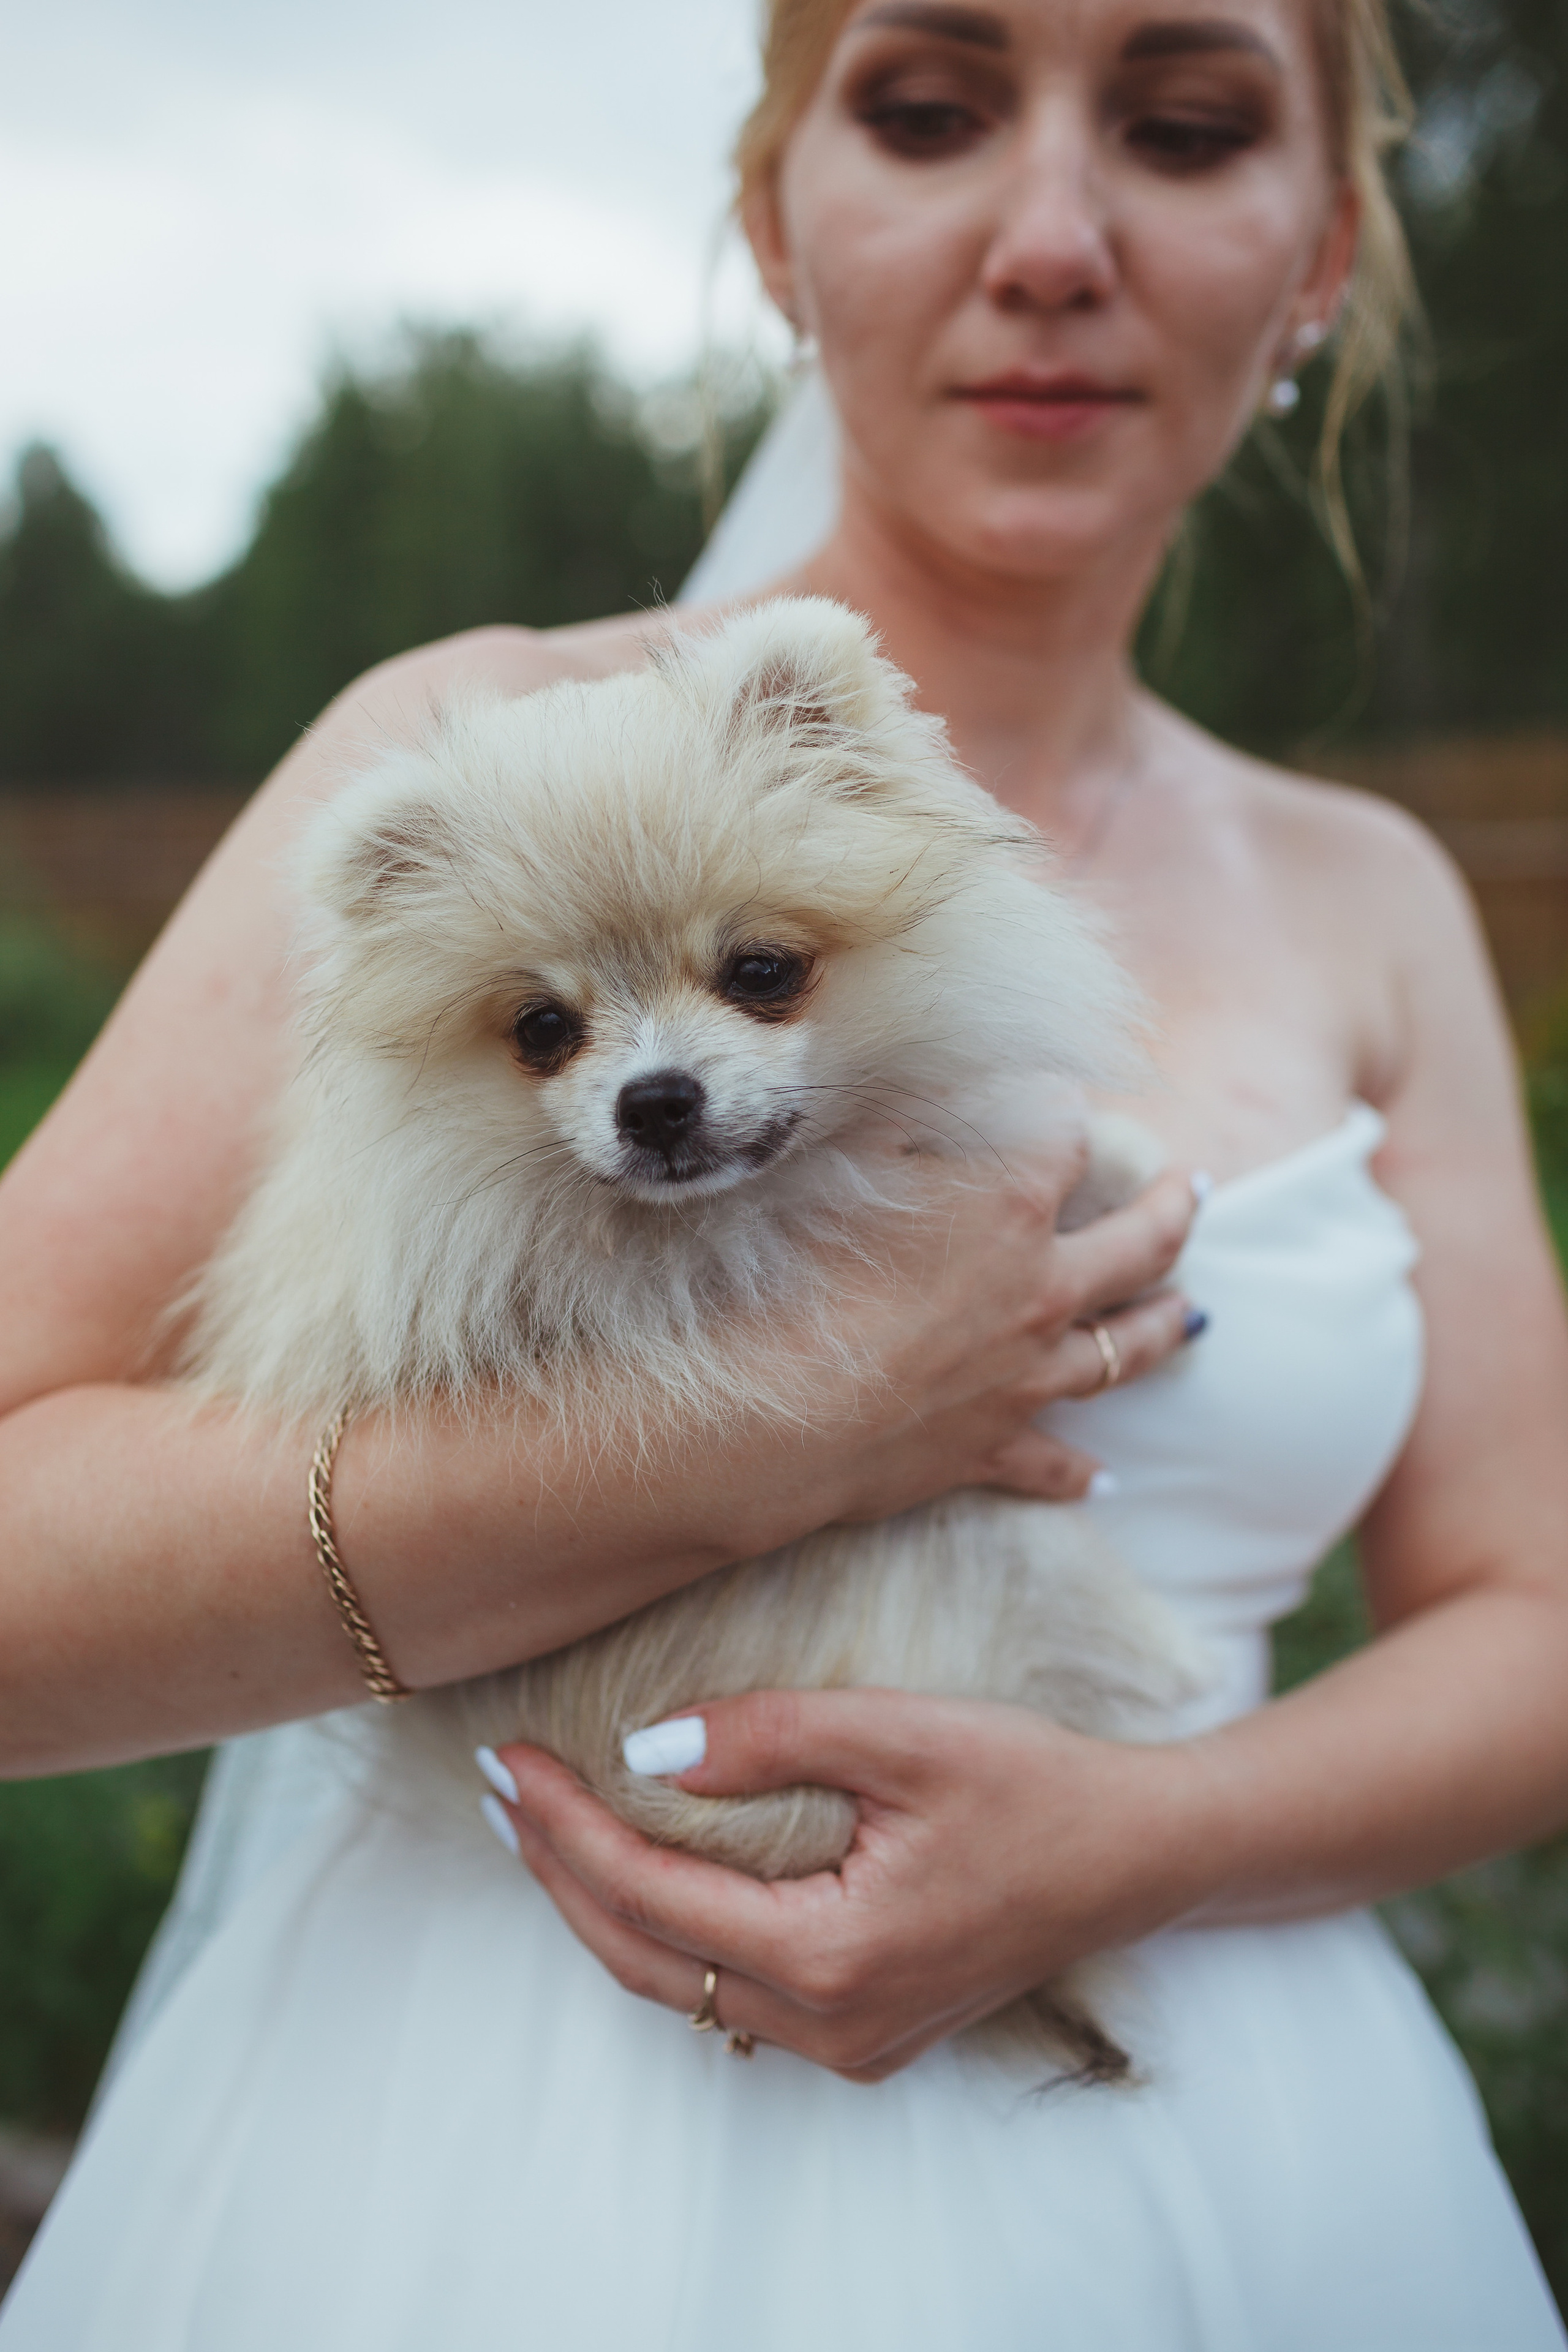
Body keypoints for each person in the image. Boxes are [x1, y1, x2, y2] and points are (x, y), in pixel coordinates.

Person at [4, 0, 1568, 2339]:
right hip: (501, 2139)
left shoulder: (1379, 896)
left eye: (1183, 124)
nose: (1053, 239)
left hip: (1229, 2099)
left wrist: (1148, 1839)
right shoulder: (452, 754)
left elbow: (1537, 1624)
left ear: (1324, 247)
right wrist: (781, 1427)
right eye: (930, 112)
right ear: (773, 218)